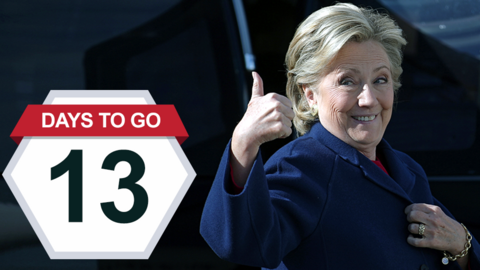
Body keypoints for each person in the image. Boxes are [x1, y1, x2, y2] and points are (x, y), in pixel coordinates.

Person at [200, 3, 479, 270]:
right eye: (347, 81)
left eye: (380, 80)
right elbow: (245, 244)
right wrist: (244, 143)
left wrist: (461, 243)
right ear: (310, 94)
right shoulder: (300, 166)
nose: (368, 99)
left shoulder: (406, 169)